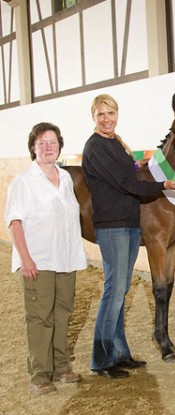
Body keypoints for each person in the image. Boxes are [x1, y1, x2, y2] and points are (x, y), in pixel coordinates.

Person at [82, 94, 175, 379]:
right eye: (101, 114)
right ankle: (102, 359)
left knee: (120, 292)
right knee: (113, 292)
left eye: (111, 113)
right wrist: (163, 185)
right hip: (113, 225)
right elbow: (125, 183)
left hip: (130, 224)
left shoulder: (116, 143)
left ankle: (120, 353)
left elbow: (129, 172)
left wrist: (145, 167)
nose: (107, 119)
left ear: (117, 115)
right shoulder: (95, 147)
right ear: (93, 117)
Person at [4, 122, 87, 396]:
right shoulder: (24, 182)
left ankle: (61, 367)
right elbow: (15, 222)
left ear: (60, 146)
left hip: (64, 259)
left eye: (53, 142)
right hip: (38, 260)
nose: (48, 147)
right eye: (42, 143)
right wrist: (25, 259)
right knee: (40, 318)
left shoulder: (65, 179)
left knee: (62, 314)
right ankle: (40, 375)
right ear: (33, 148)